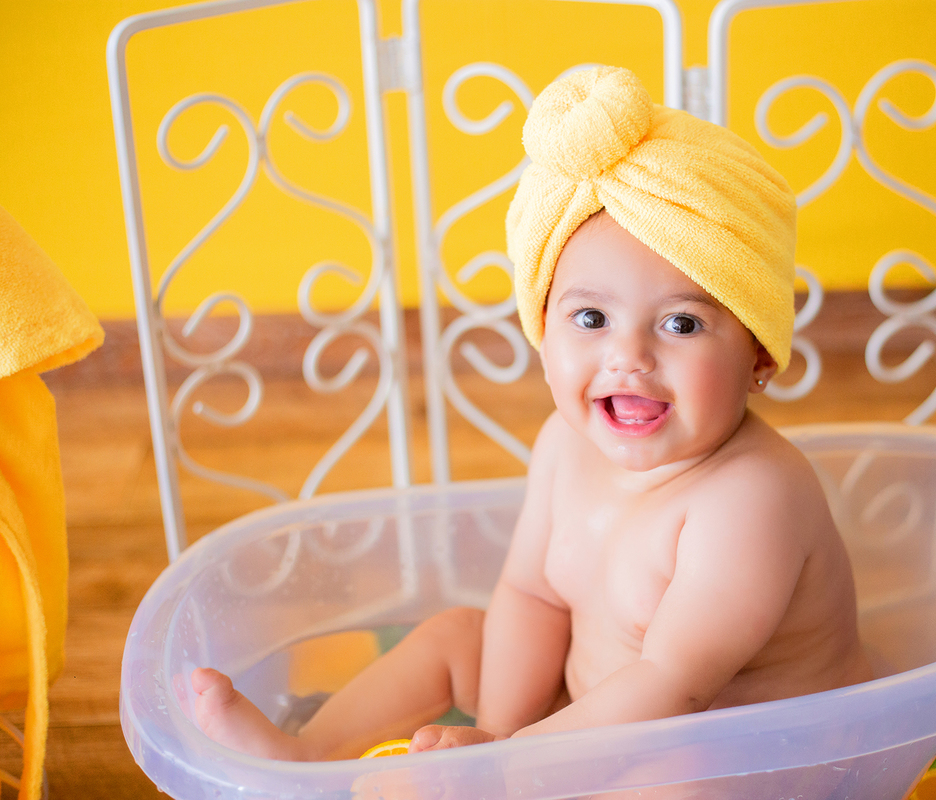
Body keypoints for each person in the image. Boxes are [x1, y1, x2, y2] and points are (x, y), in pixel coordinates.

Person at [190, 65, 872, 762]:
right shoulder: (564, 446)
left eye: (682, 324)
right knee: (460, 635)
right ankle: (307, 753)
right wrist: (499, 734)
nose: (628, 357)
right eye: (591, 318)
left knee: (681, 775)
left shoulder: (754, 497)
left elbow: (673, 685)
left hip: (745, 754)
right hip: (585, 718)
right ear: (543, 332)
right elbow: (532, 595)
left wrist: (508, 770)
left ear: (759, 354)